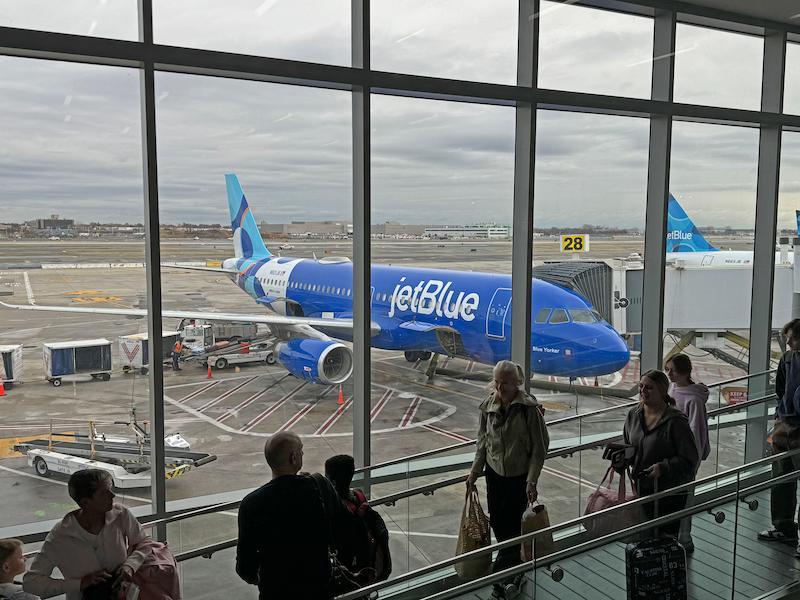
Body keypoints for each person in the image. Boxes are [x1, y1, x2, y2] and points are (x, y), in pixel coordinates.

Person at [236, 432, 355, 599]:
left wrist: (268, 579)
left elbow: (245, 568)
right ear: (293, 458)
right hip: (318, 588)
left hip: (274, 592)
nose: (302, 454)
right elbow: (347, 528)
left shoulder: (251, 503)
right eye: (301, 450)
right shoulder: (320, 486)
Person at [466, 360, 549, 599]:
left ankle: (505, 576)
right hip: (494, 475)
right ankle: (511, 573)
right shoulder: (487, 407)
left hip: (519, 477)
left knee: (513, 528)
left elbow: (539, 449)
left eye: (505, 383)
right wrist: (474, 472)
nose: (500, 387)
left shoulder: (528, 410)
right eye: (497, 382)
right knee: (499, 524)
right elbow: (482, 443)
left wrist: (531, 481)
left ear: (517, 383)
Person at [23, 469, 154, 600]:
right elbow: (31, 583)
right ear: (86, 502)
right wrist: (79, 584)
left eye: (111, 489)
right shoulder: (61, 536)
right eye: (104, 493)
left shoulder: (121, 515)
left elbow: (143, 541)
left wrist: (131, 565)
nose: (112, 495)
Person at [624, 370, 699, 539]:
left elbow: (690, 459)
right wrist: (622, 457)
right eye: (641, 386)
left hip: (669, 493)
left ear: (663, 391)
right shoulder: (633, 415)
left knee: (664, 540)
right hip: (642, 489)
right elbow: (628, 444)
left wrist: (664, 467)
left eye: (649, 387)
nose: (643, 391)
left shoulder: (676, 421)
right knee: (643, 537)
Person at [758, 318, 800, 557]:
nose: (789, 342)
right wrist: (780, 418)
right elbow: (780, 390)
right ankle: (783, 526)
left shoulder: (789, 358)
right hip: (786, 425)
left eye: (792, 338)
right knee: (781, 476)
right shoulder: (787, 358)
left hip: (791, 424)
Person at [665, 353, 710, 553]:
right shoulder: (673, 388)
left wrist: (693, 462)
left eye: (671, 370)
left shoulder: (693, 399)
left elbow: (696, 433)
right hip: (671, 456)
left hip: (685, 459)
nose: (668, 374)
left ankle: (684, 540)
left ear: (683, 372)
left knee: (684, 500)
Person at [325, 454, 391, 581]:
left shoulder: (335, 508)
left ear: (332, 481)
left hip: (347, 567)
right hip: (365, 562)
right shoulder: (359, 496)